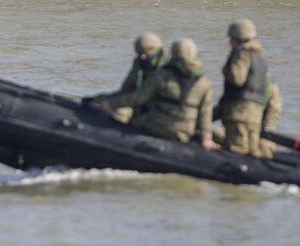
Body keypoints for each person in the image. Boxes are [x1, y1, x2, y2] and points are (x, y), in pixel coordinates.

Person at [98, 38, 217, 150]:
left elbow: (138, 97)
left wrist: (111, 104)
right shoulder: (204, 82)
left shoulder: (162, 75)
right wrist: (206, 139)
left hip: (157, 125)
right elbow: (205, 112)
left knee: (132, 121)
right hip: (184, 132)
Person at [216, 18, 283, 158]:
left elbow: (236, 79)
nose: (229, 43)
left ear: (237, 39)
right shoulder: (260, 63)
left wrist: (226, 68)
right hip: (253, 122)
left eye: (231, 39)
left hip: (240, 119)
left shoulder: (242, 55)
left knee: (237, 153)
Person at [84, 31, 169, 123]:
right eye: (140, 54)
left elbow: (140, 96)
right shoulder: (138, 65)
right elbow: (124, 91)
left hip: (161, 110)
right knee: (118, 111)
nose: (143, 57)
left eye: (146, 53)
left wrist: (111, 103)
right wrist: (97, 99)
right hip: (140, 104)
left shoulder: (168, 69)